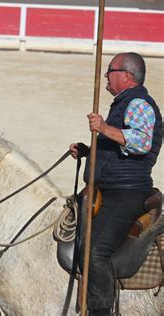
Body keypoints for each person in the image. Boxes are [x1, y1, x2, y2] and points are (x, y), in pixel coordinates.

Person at [70, 52, 162, 315]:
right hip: (112, 187)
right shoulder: (124, 104)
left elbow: (142, 141)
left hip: (127, 192)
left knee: (95, 250)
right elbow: (118, 149)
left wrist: (104, 128)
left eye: (109, 70)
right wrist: (88, 151)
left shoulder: (139, 103)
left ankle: (101, 312)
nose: (106, 76)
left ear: (126, 76)